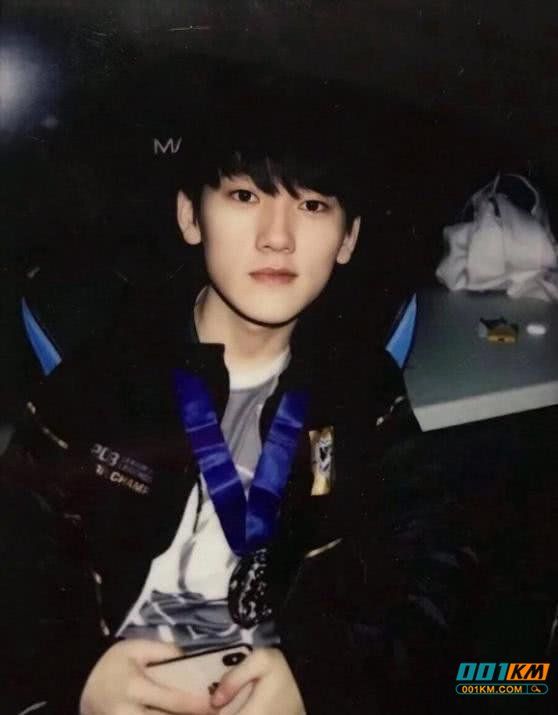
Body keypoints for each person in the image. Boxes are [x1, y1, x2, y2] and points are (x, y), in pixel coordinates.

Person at [1, 66, 473, 714]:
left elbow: (436, 576)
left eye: (313, 205)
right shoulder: (103, 380)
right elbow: (14, 553)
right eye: (245, 195)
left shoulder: (363, 391)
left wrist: (317, 680)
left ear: (348, 239)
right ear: (190, 217)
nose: (277, 236)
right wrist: (77, 675)